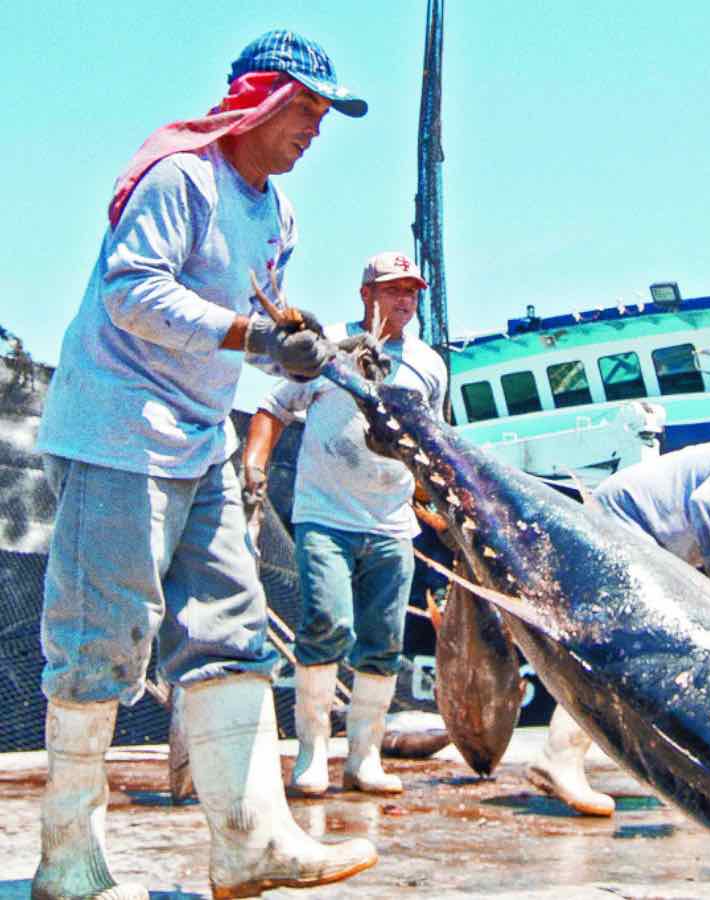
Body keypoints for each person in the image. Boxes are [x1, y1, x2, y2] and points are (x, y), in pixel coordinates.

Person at [32, 31, 378, 899]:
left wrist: (289, 340)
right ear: (258, 101)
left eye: (324, 113)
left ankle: (250, 844)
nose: (316, 128)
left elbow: (245, 321)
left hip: (200, 436)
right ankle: (69, 860)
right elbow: (132, 292)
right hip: (119, 432)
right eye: (306, 107)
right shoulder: (182, 178)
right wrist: (255, 336)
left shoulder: (277, 215)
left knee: (232, 629)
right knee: (101, 640)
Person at [243, 251, 447, 798]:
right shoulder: (326, 345)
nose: (404, 300)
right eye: (393, 289)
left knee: (383, 641)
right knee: (327, 624)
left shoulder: (429, 364)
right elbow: (273, 407)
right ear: (366, 295)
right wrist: (254, 467)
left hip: (393, 524)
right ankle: (311, 753)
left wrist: (435, 503)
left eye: (411, 291)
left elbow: (432, 437)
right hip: (325, 516)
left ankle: (364, 758)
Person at [527, 437, 710, 816]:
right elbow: (708, 503)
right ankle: (557, 756)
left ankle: (582, 757)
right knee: (621, 655)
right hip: (622, 527)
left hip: (642, 543)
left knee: (641, 660)